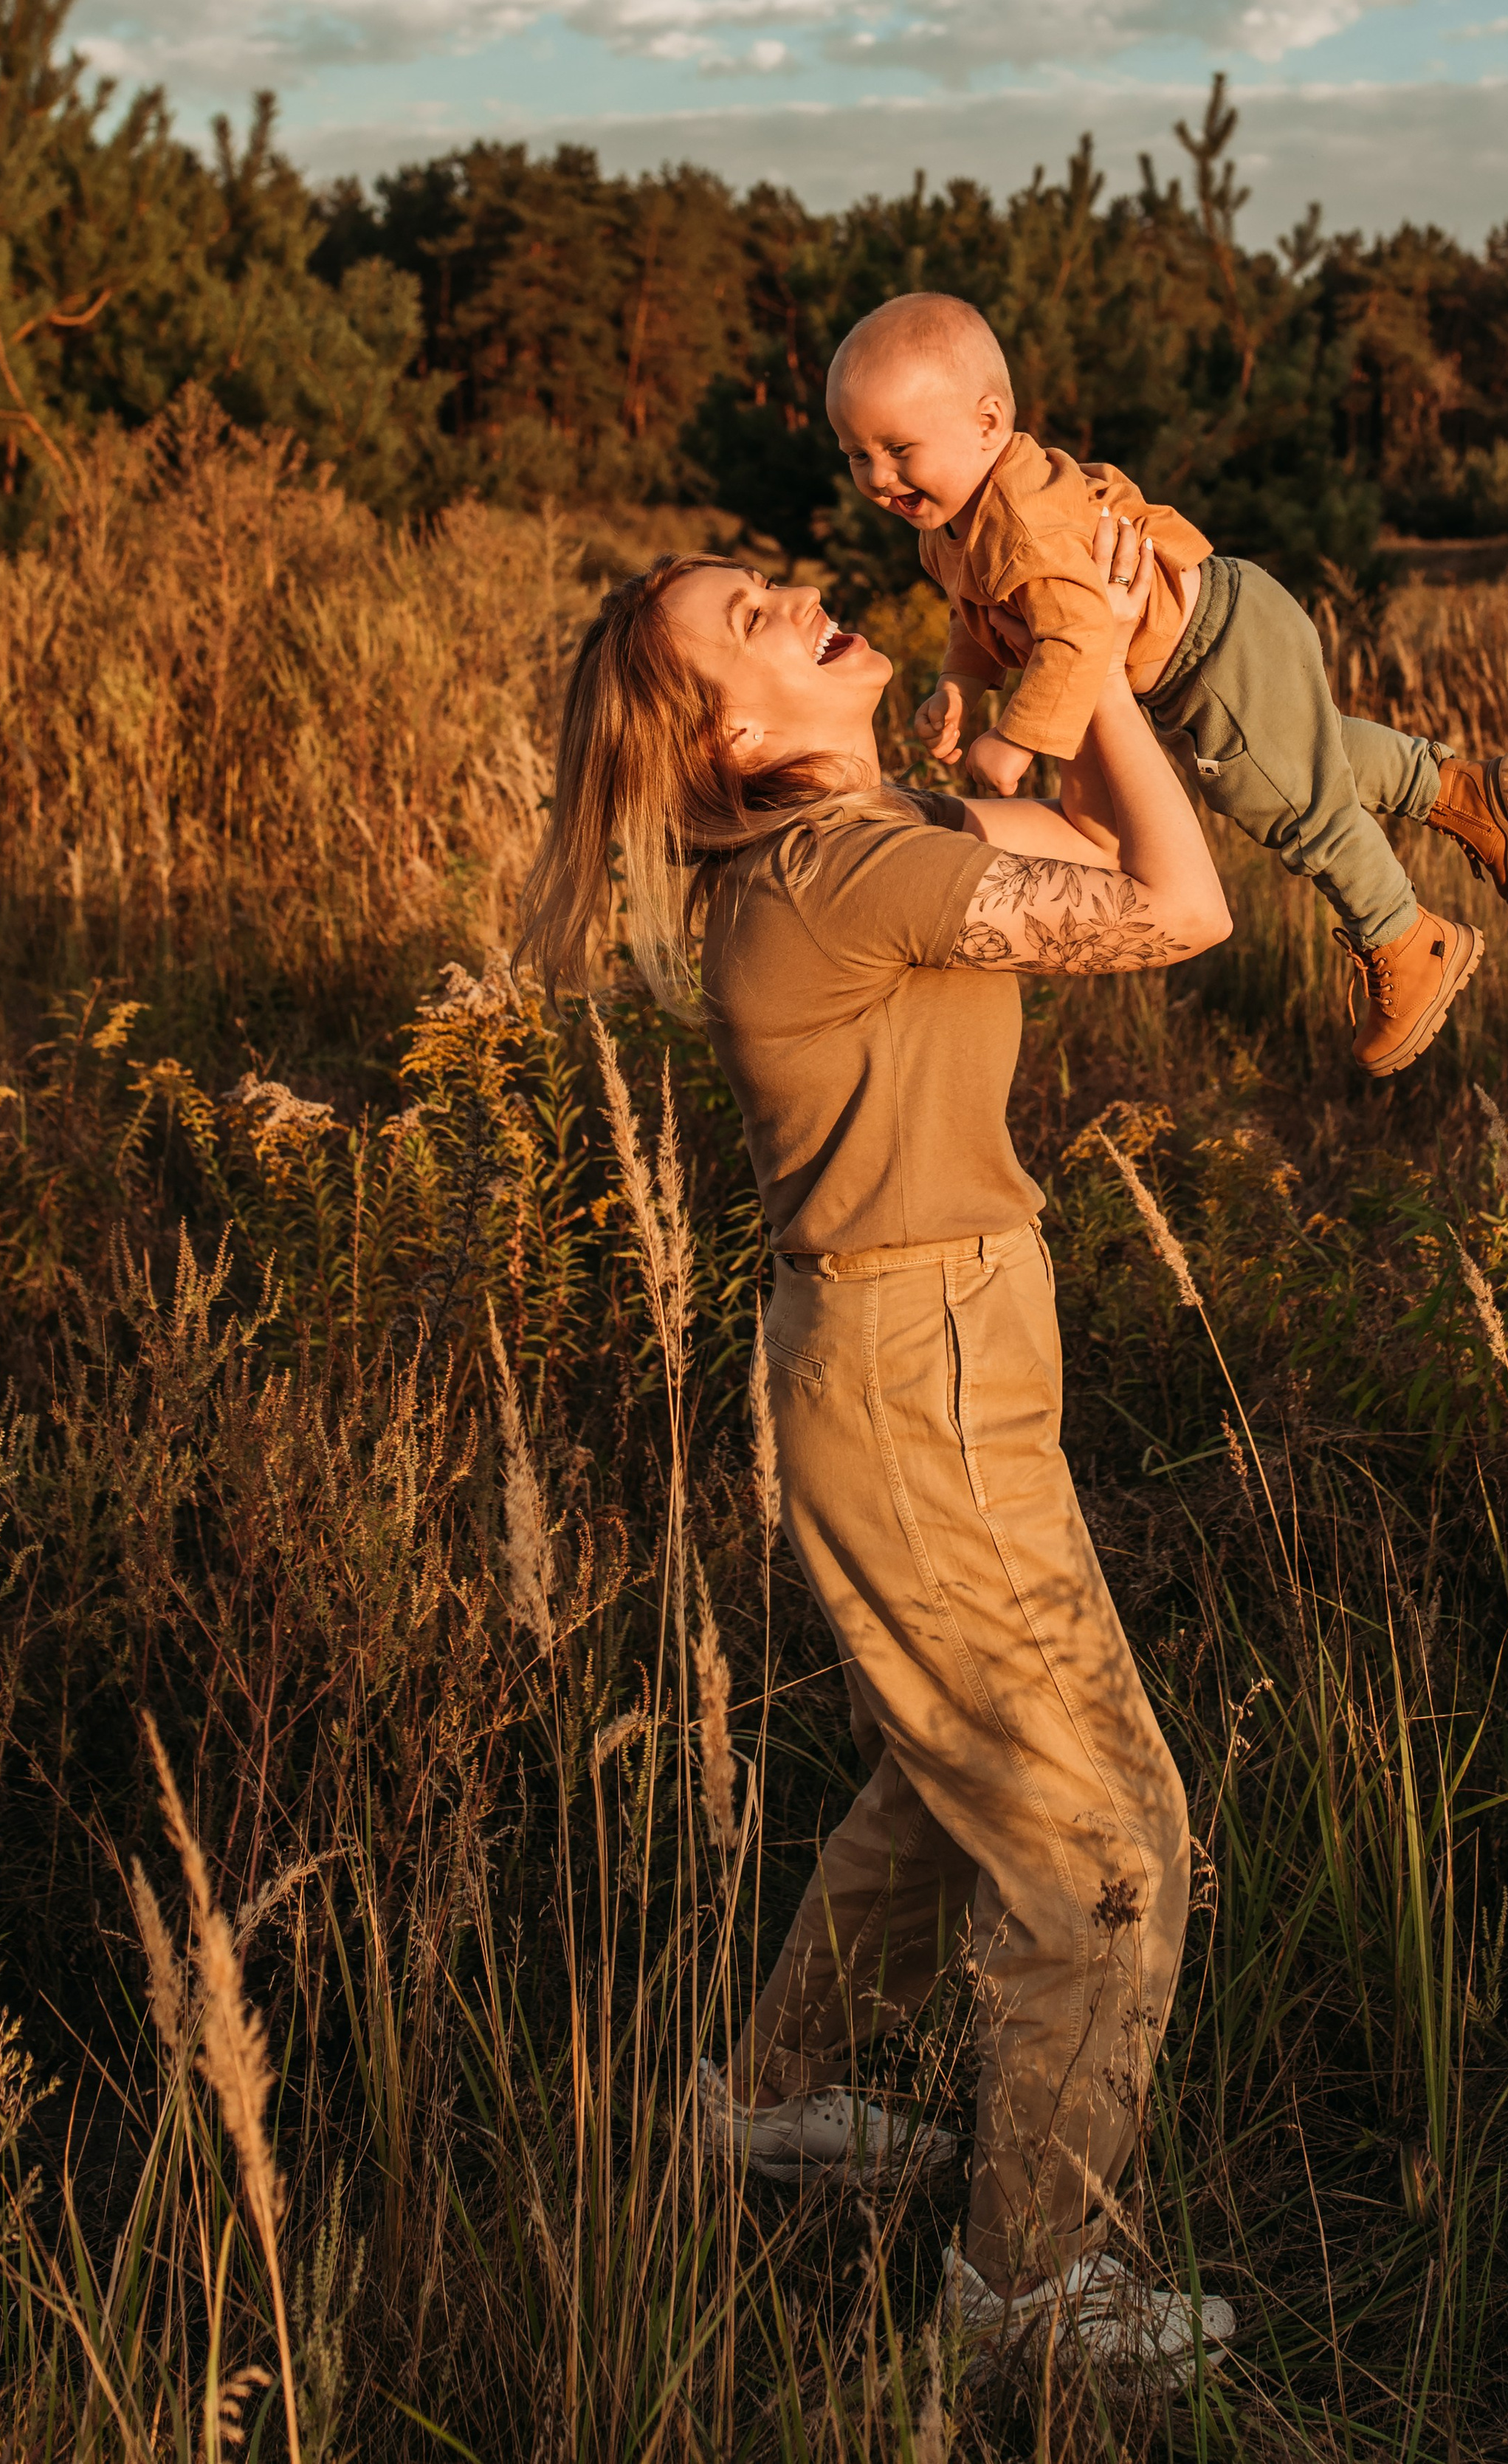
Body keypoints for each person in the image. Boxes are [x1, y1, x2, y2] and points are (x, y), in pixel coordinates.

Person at [520, 511, 1236, 2379]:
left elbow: (1093, 855)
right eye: (757, 621)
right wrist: (1092, 663)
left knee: (945, 1774)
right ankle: (1025, 2291)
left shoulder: (870, 834)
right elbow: (1180, 910)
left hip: (925, 1349)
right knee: (1105, 1845)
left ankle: (762, 2107)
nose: (804, 601)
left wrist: (1052, 688)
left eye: (777, 588)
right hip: (917, 1370)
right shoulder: (837, 869)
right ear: (735, 740)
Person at [826, 290, 1508, 1079]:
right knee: (1310, 754)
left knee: (1287, 799)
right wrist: (962, 686)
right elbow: (975, 614)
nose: (878, 477)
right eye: (856, 455)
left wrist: (1016, 740)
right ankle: (1463, 792)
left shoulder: (1021, 523)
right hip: (1220, 627)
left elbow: (1077, 633)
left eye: (898, 448)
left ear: (988, 423)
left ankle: (1407, 939)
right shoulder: (952, 525)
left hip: (1212, 646)